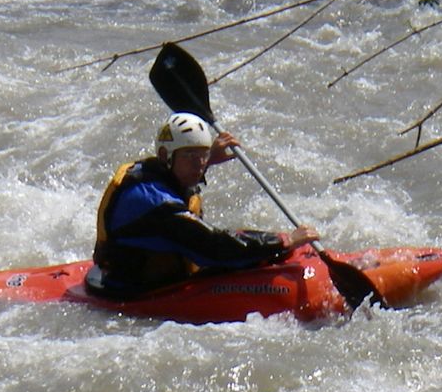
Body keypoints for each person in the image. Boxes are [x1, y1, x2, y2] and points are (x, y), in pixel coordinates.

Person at [84, 111, 319, 299]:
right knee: (249, 252)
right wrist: (283, 241)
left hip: (155, 271)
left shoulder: (157, 171)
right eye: (190, 156)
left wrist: (206, 157)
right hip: (134, 289)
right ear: (167, 155)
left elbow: (178, 179)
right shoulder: (155, 203)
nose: (199, 164)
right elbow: (215, 248)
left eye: (202, 155)